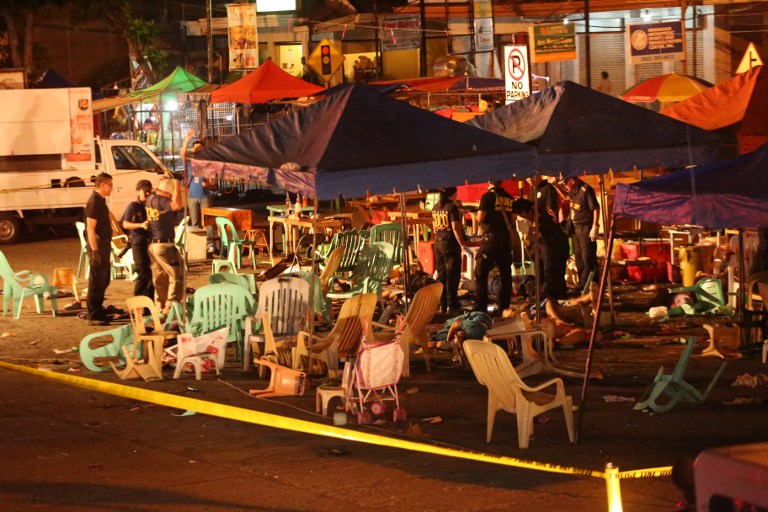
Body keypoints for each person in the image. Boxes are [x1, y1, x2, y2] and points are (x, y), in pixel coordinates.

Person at [474, 180, 515, 314]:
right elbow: (513, 219)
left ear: (489, 182)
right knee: (505, 273)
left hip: (491, 239)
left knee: (481, 272)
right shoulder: (509, 198)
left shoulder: (487, 197)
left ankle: (481, 307)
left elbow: (480, 218)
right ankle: (504, 306)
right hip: (505, 240)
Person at [146, 176, 185, 316]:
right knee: (177, 275)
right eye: (170, 193)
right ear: (166, 192)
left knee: (160, 279)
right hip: (165, 245)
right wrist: (177, 187)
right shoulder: (161, 200)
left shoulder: (150, 199)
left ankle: (160, 307)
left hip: (154, 245)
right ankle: (171, 308)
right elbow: (177, 206)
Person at [528, 176, 569, 301]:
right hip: (537, 234)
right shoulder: (531, 191)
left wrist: (540, 219)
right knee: (539, 265)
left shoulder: (548, 189)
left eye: (532, 177)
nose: (530, 180)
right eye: (527, 178)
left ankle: (553, 292)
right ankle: (541, 291)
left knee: (549, 265)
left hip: (549, 233)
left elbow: (552, 212)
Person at [431, 187, 466, 316]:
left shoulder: (436, 207)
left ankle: (442, 304)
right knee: (452, 275)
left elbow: (434, 227)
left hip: (438, 243)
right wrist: (462, 244)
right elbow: (456, 228)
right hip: (450, 243)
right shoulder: (452, 207)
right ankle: (453, 305)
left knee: (441, 275)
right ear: (454, 193)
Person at [84, 173, 114, 326]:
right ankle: (93, 314)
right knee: (96, 281)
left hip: (104, 244)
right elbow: (90, 228)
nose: (112, 188)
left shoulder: (100, 201)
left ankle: (98, 309)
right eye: (110, 185)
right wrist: (95, 251)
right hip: (98, 244)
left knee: (104, 279)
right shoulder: (94, 202)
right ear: (102, 185)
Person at [564, 177, 600, 290]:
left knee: (587, 256)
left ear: (572, 180)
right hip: (575, 228)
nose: (565, 186)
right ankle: (582, 283)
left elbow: (595, 208)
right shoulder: (573, 190)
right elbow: (566, 198)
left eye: (565, 183)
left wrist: (595, 225)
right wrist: (556, 187)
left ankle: (593, 284)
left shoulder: (586, 190)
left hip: (585, 227)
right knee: (579, 257)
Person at [121, 179, 154, 300]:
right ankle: (138, 301)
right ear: (138, 191)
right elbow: (125, 224)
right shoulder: (133, 206)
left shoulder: (152, 205)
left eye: (149, 191)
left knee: (151, 274)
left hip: (151, 242)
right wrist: (140, 225)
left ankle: (149, 302)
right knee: (142, 272)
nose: (147, 193)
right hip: (138, 242)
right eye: (145, 191)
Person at [181, 128, 216, 231]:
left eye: (200, 148)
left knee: (208, 222)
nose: (198, 149)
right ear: (193, 150)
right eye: (196, 148)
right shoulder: (189, 161)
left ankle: (210, 241)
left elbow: (213, 181)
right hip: (192, 197)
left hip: (204, 197)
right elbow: (182, 154)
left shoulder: (208, 163)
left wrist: (208, 183)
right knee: (195, 223)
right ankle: (198, 241)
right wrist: (187, 138)